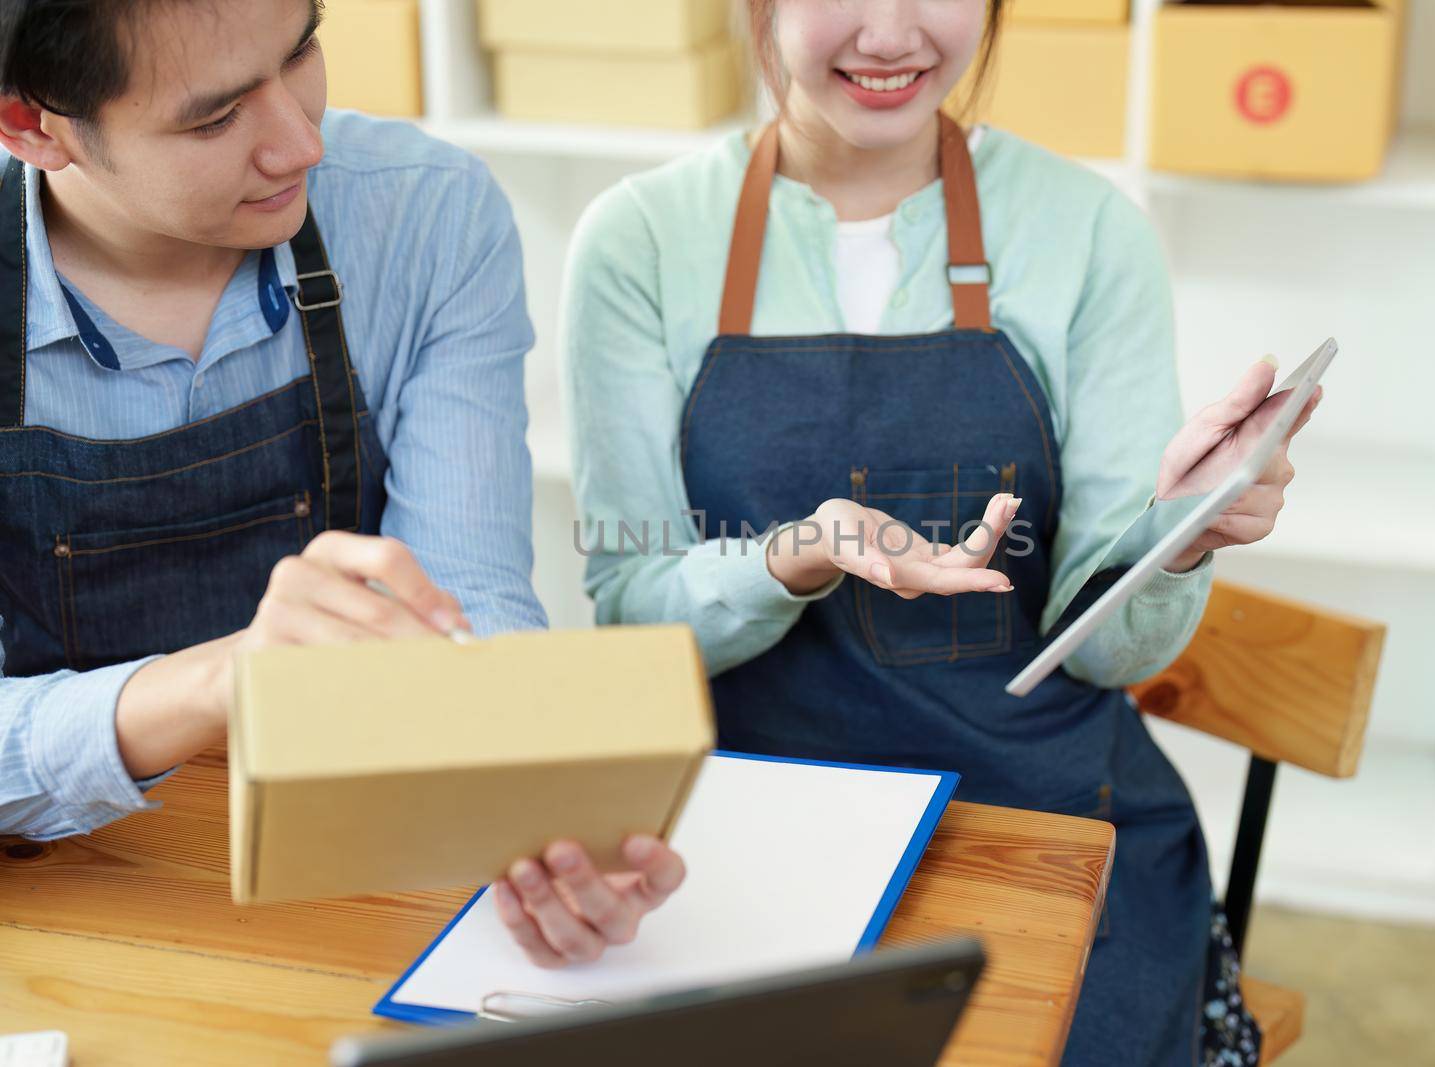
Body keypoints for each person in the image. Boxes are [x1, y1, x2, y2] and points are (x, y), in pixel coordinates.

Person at [562, 1, 1320, 1062]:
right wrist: (797, 554)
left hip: (1039, 817)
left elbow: (1105, 649)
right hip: (753, 821)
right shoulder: (641, 240)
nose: (891, 34)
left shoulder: (1087, 230)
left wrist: (1179, 533)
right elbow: (634, 616)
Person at [0, 0, 681, 967]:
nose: (301, 143)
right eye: (214, 118)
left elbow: (468, 598)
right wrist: (220, 680)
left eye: (302, 51)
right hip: (60, 904)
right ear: (33, 126)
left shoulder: (428, 213)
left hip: (367, 887)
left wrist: (537, 833)